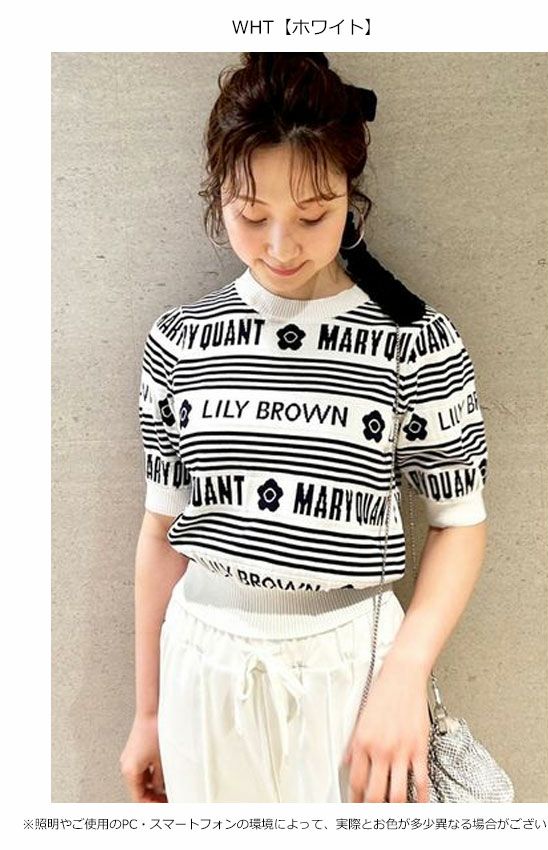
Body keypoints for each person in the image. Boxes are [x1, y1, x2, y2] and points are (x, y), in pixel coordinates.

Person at [119, 52, 488, 804]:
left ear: (352, 195)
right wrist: (149, 712)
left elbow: (459, 522)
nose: (281, 247)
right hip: (201, 666)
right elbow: (161, 532)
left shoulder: (416, 339)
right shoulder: (180, 342)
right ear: (217, 197)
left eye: (315, 214)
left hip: (358, 675)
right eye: (251, 215)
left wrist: (406, 673)